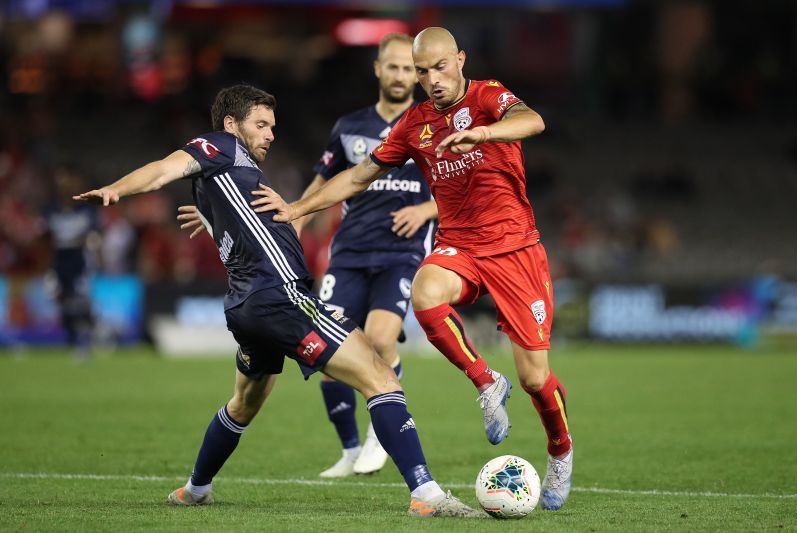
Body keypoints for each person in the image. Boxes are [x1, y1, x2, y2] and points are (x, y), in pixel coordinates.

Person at [73, 84, 480, 518]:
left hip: (247, 306)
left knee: (244, 404)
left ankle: (195, 490)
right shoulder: (221, 147)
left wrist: (213, 218)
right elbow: (161, 171)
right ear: (231, 124)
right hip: (281, 295)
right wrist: (118, 188)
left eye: (273, 126)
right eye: (261, 125)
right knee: (381, 376)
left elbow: (243, 231)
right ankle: (427, 494)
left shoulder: (230, 176)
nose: (270, 134)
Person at [249, 28, 574, 511]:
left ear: (460, 60)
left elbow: (532, 121)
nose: (431, 79)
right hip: (459, 246)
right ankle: (485, 381)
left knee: (534, 378)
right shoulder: (415, 124)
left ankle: (560, 451)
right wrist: (297, 210)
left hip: (515, 251)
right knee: (425, 293)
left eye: (440, 67)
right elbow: (359, 175)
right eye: (423, 71)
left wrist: (482, 132)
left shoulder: (487, 96)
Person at [290, 33, 436, 478]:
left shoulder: (432, 125)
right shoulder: (349, 127)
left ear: (419, 73)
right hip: (350, 251)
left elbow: (465, 185)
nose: (400, 75)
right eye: (392, 67)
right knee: (328, 352)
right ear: (377, 69)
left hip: (402, 253)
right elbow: (323, 181)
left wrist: (426, 208)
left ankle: (380, 433)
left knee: (379, 339)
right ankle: (351, 449)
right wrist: (294, 219)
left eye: (409, 68)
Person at [42, 166, 101, 359]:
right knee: (60, 298)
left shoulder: (86, 209)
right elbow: (44, 237)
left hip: (79, 258)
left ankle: (86, 339)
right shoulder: (51, 209)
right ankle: (73, 337)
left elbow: (94, 235)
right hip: (59, 259)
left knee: (79, 299)